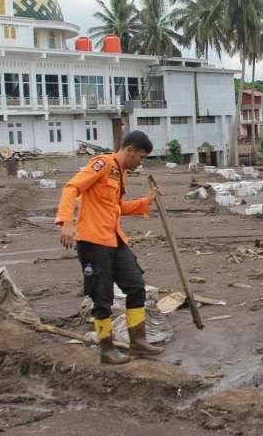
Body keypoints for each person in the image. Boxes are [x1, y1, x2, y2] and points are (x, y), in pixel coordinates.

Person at [55, 130, 163, 365]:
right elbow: (71, 188)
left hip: (114, 239)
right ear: (130, 150)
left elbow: (116, 208)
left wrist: (146, 202)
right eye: (141, 157)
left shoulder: (120, 173)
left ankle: (138, 341)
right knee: (101, 296)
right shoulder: (102, 164)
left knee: (136, 286)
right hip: (93, 241)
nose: (140, 163)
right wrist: (67, 221)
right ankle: (106, 349)